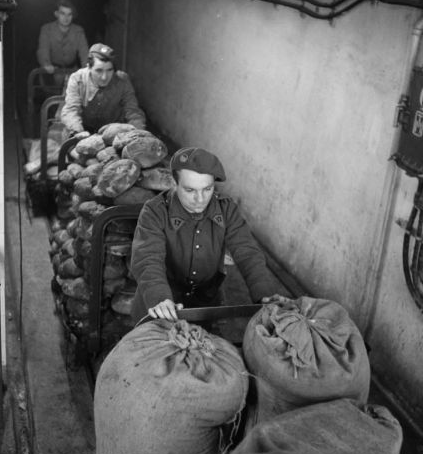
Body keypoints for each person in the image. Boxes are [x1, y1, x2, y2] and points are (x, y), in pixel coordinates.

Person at [130, 147, 284, 325]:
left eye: (207, 189)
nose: (200, 199)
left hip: (203, 306)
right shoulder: (154, 211)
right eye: (190, 190)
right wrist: (159, 298)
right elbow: (148, 258)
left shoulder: (226, 209)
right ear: (174, 183)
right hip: (161, 307)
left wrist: (265, 294)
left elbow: (247, 252)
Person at [60, 43, 146, 139]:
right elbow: (71, 110)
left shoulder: (123, 80)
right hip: (83, 130)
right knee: (70, 145)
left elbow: (133, 111)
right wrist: (78, 131)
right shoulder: (77, 78)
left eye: (109, 70)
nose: (104, 77)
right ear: (89, 67)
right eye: (99, 71)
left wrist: (137, 132)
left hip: (113, 133)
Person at [36, 0, 89, 89]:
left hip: (72, 71)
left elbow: (84, 52)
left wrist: (87, 68)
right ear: (56, 14)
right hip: (52, 72)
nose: (66, 18)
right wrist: (46, 64)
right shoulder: (47, 29)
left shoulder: (78, 31)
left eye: (69, 14)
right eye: (62, 13)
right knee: (51, 98)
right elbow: (43, 49)